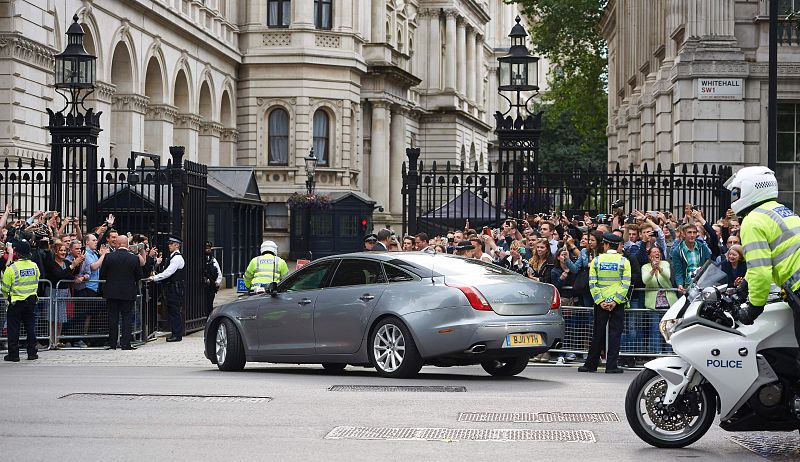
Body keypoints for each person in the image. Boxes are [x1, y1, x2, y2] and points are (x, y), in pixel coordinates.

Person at [724, 167, 800, 341]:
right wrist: (744, 286)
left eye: (736, 192)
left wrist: (754, 308)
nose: (734, 198)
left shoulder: (752, 220)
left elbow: (760, 270)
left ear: (749, 188)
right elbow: (761, 264)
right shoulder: (780, 210)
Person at [579, 232, 630, 374]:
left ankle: (590, 365)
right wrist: (615, 301)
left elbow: (592, 282)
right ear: (618, 246)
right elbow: (625, 283)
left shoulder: (596, 260)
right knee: (615, 334)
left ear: (606, 245)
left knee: (598, 333)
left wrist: (600, 300)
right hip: (617, 303)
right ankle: (611, 365)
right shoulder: (624, 261)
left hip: (600, 302)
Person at [99, 235, 142, 350]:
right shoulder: (134, 258)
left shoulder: (108, 257)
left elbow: (102, 274)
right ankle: (125, 344)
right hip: (128, 292)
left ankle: (112, 343)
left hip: (112, 292)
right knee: (127, 317)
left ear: (117, 244)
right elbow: (139, 275)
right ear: (127, 245)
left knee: (113, 317)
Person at [2, 239, 41, 362]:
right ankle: (32, 353)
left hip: (16, 302)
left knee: (13, 329)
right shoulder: (34, 266)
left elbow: (4, 288)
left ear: (17, 253)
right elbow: (37, 280)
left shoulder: (12, 268)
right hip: (31, 301)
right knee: (30, 327)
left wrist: (8, 297)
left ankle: (14, 355)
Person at [148, 236, 186, 342]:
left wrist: (155, 278)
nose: (169, 245)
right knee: (172, 310)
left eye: (171, 244)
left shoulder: (177, 258)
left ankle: (177, 334)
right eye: (169, 243)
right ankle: (175, 333)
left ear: (177, 245)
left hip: (175, 288)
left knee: (174, 311)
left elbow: (168, 272)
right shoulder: (172, 257)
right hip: (171, 287)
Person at [671, 223, 711, 295]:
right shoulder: (677, 251)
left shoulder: (703, 247)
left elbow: (708, 266)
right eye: (689, 232)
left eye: (694, 232)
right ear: (684, 234)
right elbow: (678, 272)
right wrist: (680, 284)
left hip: (701, 284)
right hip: (687, 286)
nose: (692, 235)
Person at [204, 241, 223, 317]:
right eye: (206, 248)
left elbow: (219, 273)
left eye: (209, 248)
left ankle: (209, 318)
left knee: (209, 304)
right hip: (202, 286)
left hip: (211, 286)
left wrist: (217, 282)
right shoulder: (200, 260)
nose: (208, 249)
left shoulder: (213, 260)